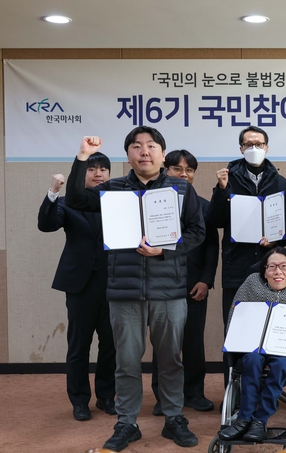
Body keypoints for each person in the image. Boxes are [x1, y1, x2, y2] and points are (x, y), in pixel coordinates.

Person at [65, 129, 206, 451]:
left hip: (169, 290)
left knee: (170, 360)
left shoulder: (181, 188)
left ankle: (173, 418)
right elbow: (75, 199)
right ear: (128, 155)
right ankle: (127, 422)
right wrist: (83, 157)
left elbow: (197, 231)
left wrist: (165, 250)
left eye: (151, 146)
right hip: (124, 291)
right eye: (137, 146)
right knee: (126, 362)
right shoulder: (113, 189)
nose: (144, 151)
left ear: (162, 154)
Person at [206, 126, 286, 386]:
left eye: (259, 144)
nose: (254, 148)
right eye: (248, 144)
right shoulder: (229, 178)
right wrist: (222, 189)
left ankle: (266, 390)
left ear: (267, 148)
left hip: (270, 271)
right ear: (241, 148)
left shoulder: (280, 182)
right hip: (237, 268)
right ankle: (234, 391)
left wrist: (277, 239)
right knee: (236, 332)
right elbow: (214, 220)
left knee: (270, 331)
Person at [37, 152, 116, 421]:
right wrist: (53, 192)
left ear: (109, 174)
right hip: (81, 286)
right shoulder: (68, 202)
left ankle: (106, 396)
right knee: (79, 346)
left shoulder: (117, 202)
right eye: (91, 169)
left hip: (114, 283)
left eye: (103, 169)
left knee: (111, 345)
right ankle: (80, 400)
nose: (98, 173)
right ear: (82, 174)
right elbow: (46, 225)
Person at [218, 247, 286, 442]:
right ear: (264, 271)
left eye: (284, 266)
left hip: (284, 350)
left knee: (281, 363)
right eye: (272, 267)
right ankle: (243, 419)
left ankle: (260, 420)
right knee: (252, 361)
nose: (278, 272)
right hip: (254, 348)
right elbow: (236, 314)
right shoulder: (251, 285)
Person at [151, 150, 220, 415]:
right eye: (177, 169)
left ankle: (194, 393)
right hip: (161, 284)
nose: (183, 174)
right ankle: (163, 396)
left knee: (193, 342)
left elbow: (212, 247)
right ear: (165, 170)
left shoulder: (204, 206)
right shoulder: (153, 202)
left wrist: (205, 281)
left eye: (189, 170)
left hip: (194, 285)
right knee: (163, 344)